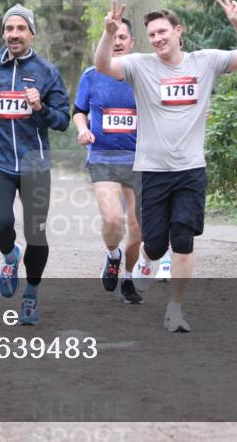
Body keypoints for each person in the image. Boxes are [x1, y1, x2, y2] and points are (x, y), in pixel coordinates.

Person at [94, 0, 237, 332]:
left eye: (162, 32)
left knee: (183, 239)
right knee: (154, 244)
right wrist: (108, 35)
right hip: (152, 170)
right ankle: (144, 262)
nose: (157, 39)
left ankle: (176, 309)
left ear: (178, 31)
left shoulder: (205, 62)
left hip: (190, 170)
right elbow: (102, 66)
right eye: (152, 34)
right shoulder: (140, 66)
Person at [0, 4, 70, 325]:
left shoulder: (46, 71)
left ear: (32, 33)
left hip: (34, 165)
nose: (14, 34)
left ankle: (30, 295)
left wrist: (40, 107)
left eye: (20, 29)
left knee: (37, 235)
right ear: (3, 33)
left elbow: (62, 120)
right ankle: (10, 256)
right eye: (9, 29)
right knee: (0, 225)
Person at [72, 16, 142, 304]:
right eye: (112, 37)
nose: (117, 42)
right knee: (114, 219)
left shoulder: (142, 72)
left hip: (139, 159)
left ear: (132, 42)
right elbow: (78, 110)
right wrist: (83, 129)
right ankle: (113, 254)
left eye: (122, 37)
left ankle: (129, 278)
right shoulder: (91, 74)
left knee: (138, 227)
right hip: (103, 157)